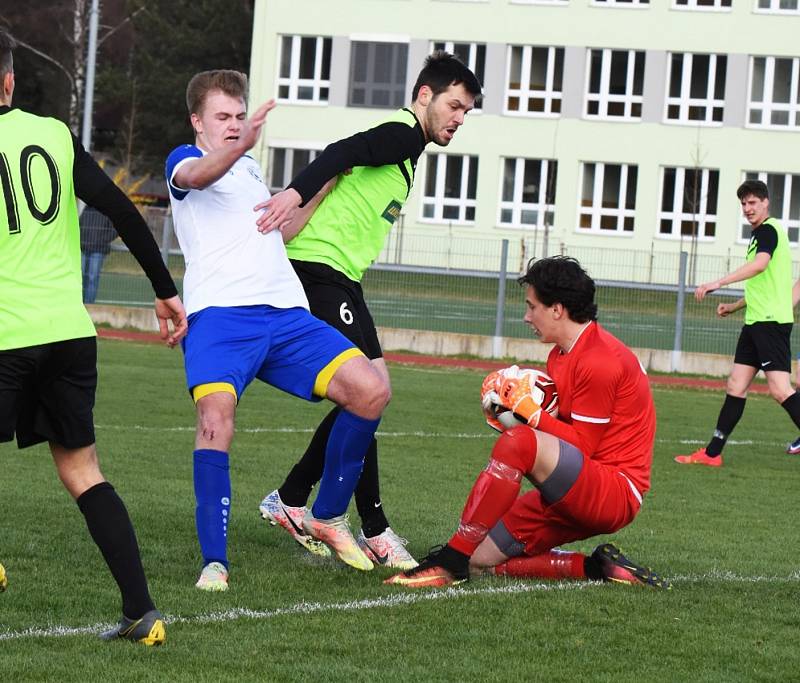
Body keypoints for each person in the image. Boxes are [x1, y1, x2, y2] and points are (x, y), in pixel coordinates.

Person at [165, 70, 390, 590]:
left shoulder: (247, 168)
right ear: (197, 121)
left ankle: (326, 515)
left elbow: (282, 227)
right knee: (215, 422)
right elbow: (198, 177)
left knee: (371, 390)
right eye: (223, 117)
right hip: (220, 318)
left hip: (287, 317)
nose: (234, 125)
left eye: (240, 117)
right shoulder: (184, 160)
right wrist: (239, 145)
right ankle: (214, 563)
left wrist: (325, 182)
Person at [256, 51, 481, 570]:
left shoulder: (408, 152)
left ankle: (292, 497)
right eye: (453, 105)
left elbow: (347, 166)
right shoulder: (403, 133)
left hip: (344, 280)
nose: (459, 119)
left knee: (371, 395)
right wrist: (295, 192)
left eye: (466, 112)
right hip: (318, 272)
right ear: (424, 95)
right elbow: (341, 151)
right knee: (366, 394)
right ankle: (371, 527)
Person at [0, 29, 187, 645]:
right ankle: (142, 612)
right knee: (83, 470)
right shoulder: (52, 134)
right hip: (69, 335)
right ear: (8, 81)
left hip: (7, 334)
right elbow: (123, 208)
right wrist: (165, 288)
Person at [384, 256, 670, 589]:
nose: (526, 316)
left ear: (557, 309)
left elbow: (583, 446)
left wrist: (530, 415)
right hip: (575, 483)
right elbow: (562, 438)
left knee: (519, 441)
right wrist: (512, 411)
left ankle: (450, 561)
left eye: (532, 306)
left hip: (613, 490)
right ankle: (598, 568)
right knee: (481, 559)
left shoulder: (599, 359)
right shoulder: (560, 354)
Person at [675, 179, 800, 467]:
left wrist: (719, 281)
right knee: (735, 385)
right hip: (755, 322)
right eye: (744, 204)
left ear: (766, 202)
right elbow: (763, 284)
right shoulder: (760, 234)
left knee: (781, 390)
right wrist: (734, 306)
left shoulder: (768, 231)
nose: (747, 208)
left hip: (770, 324)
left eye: (753, 202)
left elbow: (760, 265)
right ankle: (712, 453)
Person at [80, 205, 117, 303]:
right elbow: (80, 224)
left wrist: (102, 240)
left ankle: (89, 305)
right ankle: (79, 303)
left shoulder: (108, 210)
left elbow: (115, 229)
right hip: (83, 248)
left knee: (92, 278)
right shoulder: (87, 208)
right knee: (80, 277)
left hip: (98, 250)